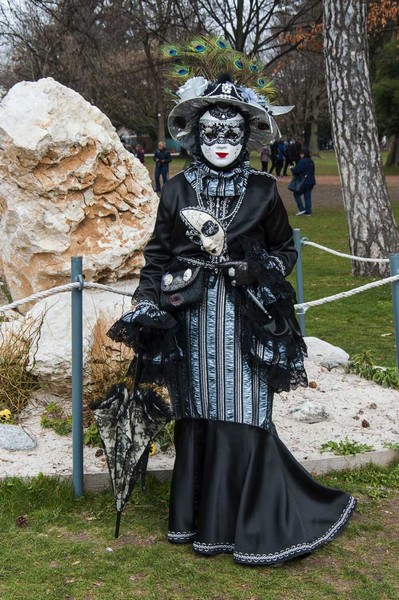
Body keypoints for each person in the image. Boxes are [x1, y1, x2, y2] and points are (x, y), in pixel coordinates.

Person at [108, 68, 355, 566]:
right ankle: (199, 521)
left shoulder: (264, 190)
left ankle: (251, 518)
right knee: (197, 406)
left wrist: (251, 268)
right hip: (192, 321)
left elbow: (286, 250)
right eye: (212, 131)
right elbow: (157, 255)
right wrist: (148, 301)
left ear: (246, 137)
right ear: (197, 135)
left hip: (247, 319)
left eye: (232, 132)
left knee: (245, 406)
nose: (221, 140)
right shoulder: (176, 190)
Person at [291, 149, 316, 216]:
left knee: (296, 194)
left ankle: (301, 209)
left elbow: (298, 170)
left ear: (303, 154)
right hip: (311, 181)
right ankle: (308, 211)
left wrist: (292, 169)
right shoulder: (311, 161)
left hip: (304, 181)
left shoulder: (302, 161)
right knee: (307, 196)